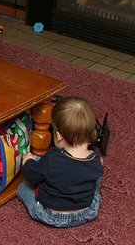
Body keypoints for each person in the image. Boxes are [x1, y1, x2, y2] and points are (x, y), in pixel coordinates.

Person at [17, 96, 104, 228]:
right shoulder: (96, 158)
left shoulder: (52, 159)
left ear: (58, 136)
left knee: (23, 187)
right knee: (96, 179)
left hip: (52, 216)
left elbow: (31, 175)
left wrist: (28, 161)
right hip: (87, 212)